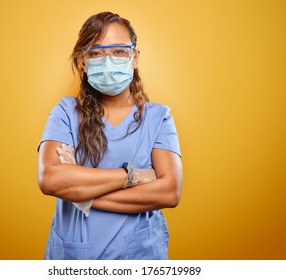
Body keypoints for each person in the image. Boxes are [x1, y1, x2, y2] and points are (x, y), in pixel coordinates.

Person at [37, 11, 182, 260]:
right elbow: (50, 179)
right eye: (96, 53)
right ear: (83, 61)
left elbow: (169, 192)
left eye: (118, 51)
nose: (107, 61)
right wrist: (132, 175)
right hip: (75, 258)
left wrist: (83, 195)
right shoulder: (65, 112)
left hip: (139, 257)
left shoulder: (159, 118)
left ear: (134, 58)